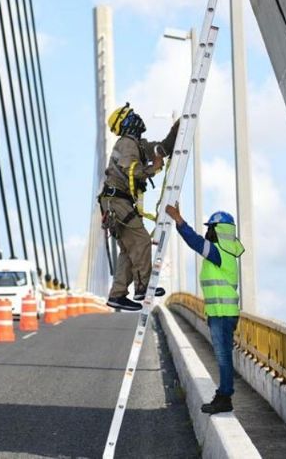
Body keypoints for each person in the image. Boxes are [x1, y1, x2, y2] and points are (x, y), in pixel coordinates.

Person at [165, 204, 245, 414]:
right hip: (220, 313)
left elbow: (195, 241)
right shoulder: (224, 253)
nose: (208, 232)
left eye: (212, 228)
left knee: (223, 356)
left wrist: (178, 220)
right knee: (223, 355)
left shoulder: (220, 253)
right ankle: (224, 394)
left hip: (222, 314)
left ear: (220, 231)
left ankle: (225, 397)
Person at [99, 103, 178, 311]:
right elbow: (132, 170)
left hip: (115, 202)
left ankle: (117, 295)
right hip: (118, 201)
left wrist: (177, 129)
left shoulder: (137, 144)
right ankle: (143, 287)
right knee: (141, 240)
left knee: (127, 250)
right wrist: (154, 168)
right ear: (127, 122)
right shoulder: (126, 143)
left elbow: (160, 149)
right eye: (131, 115)